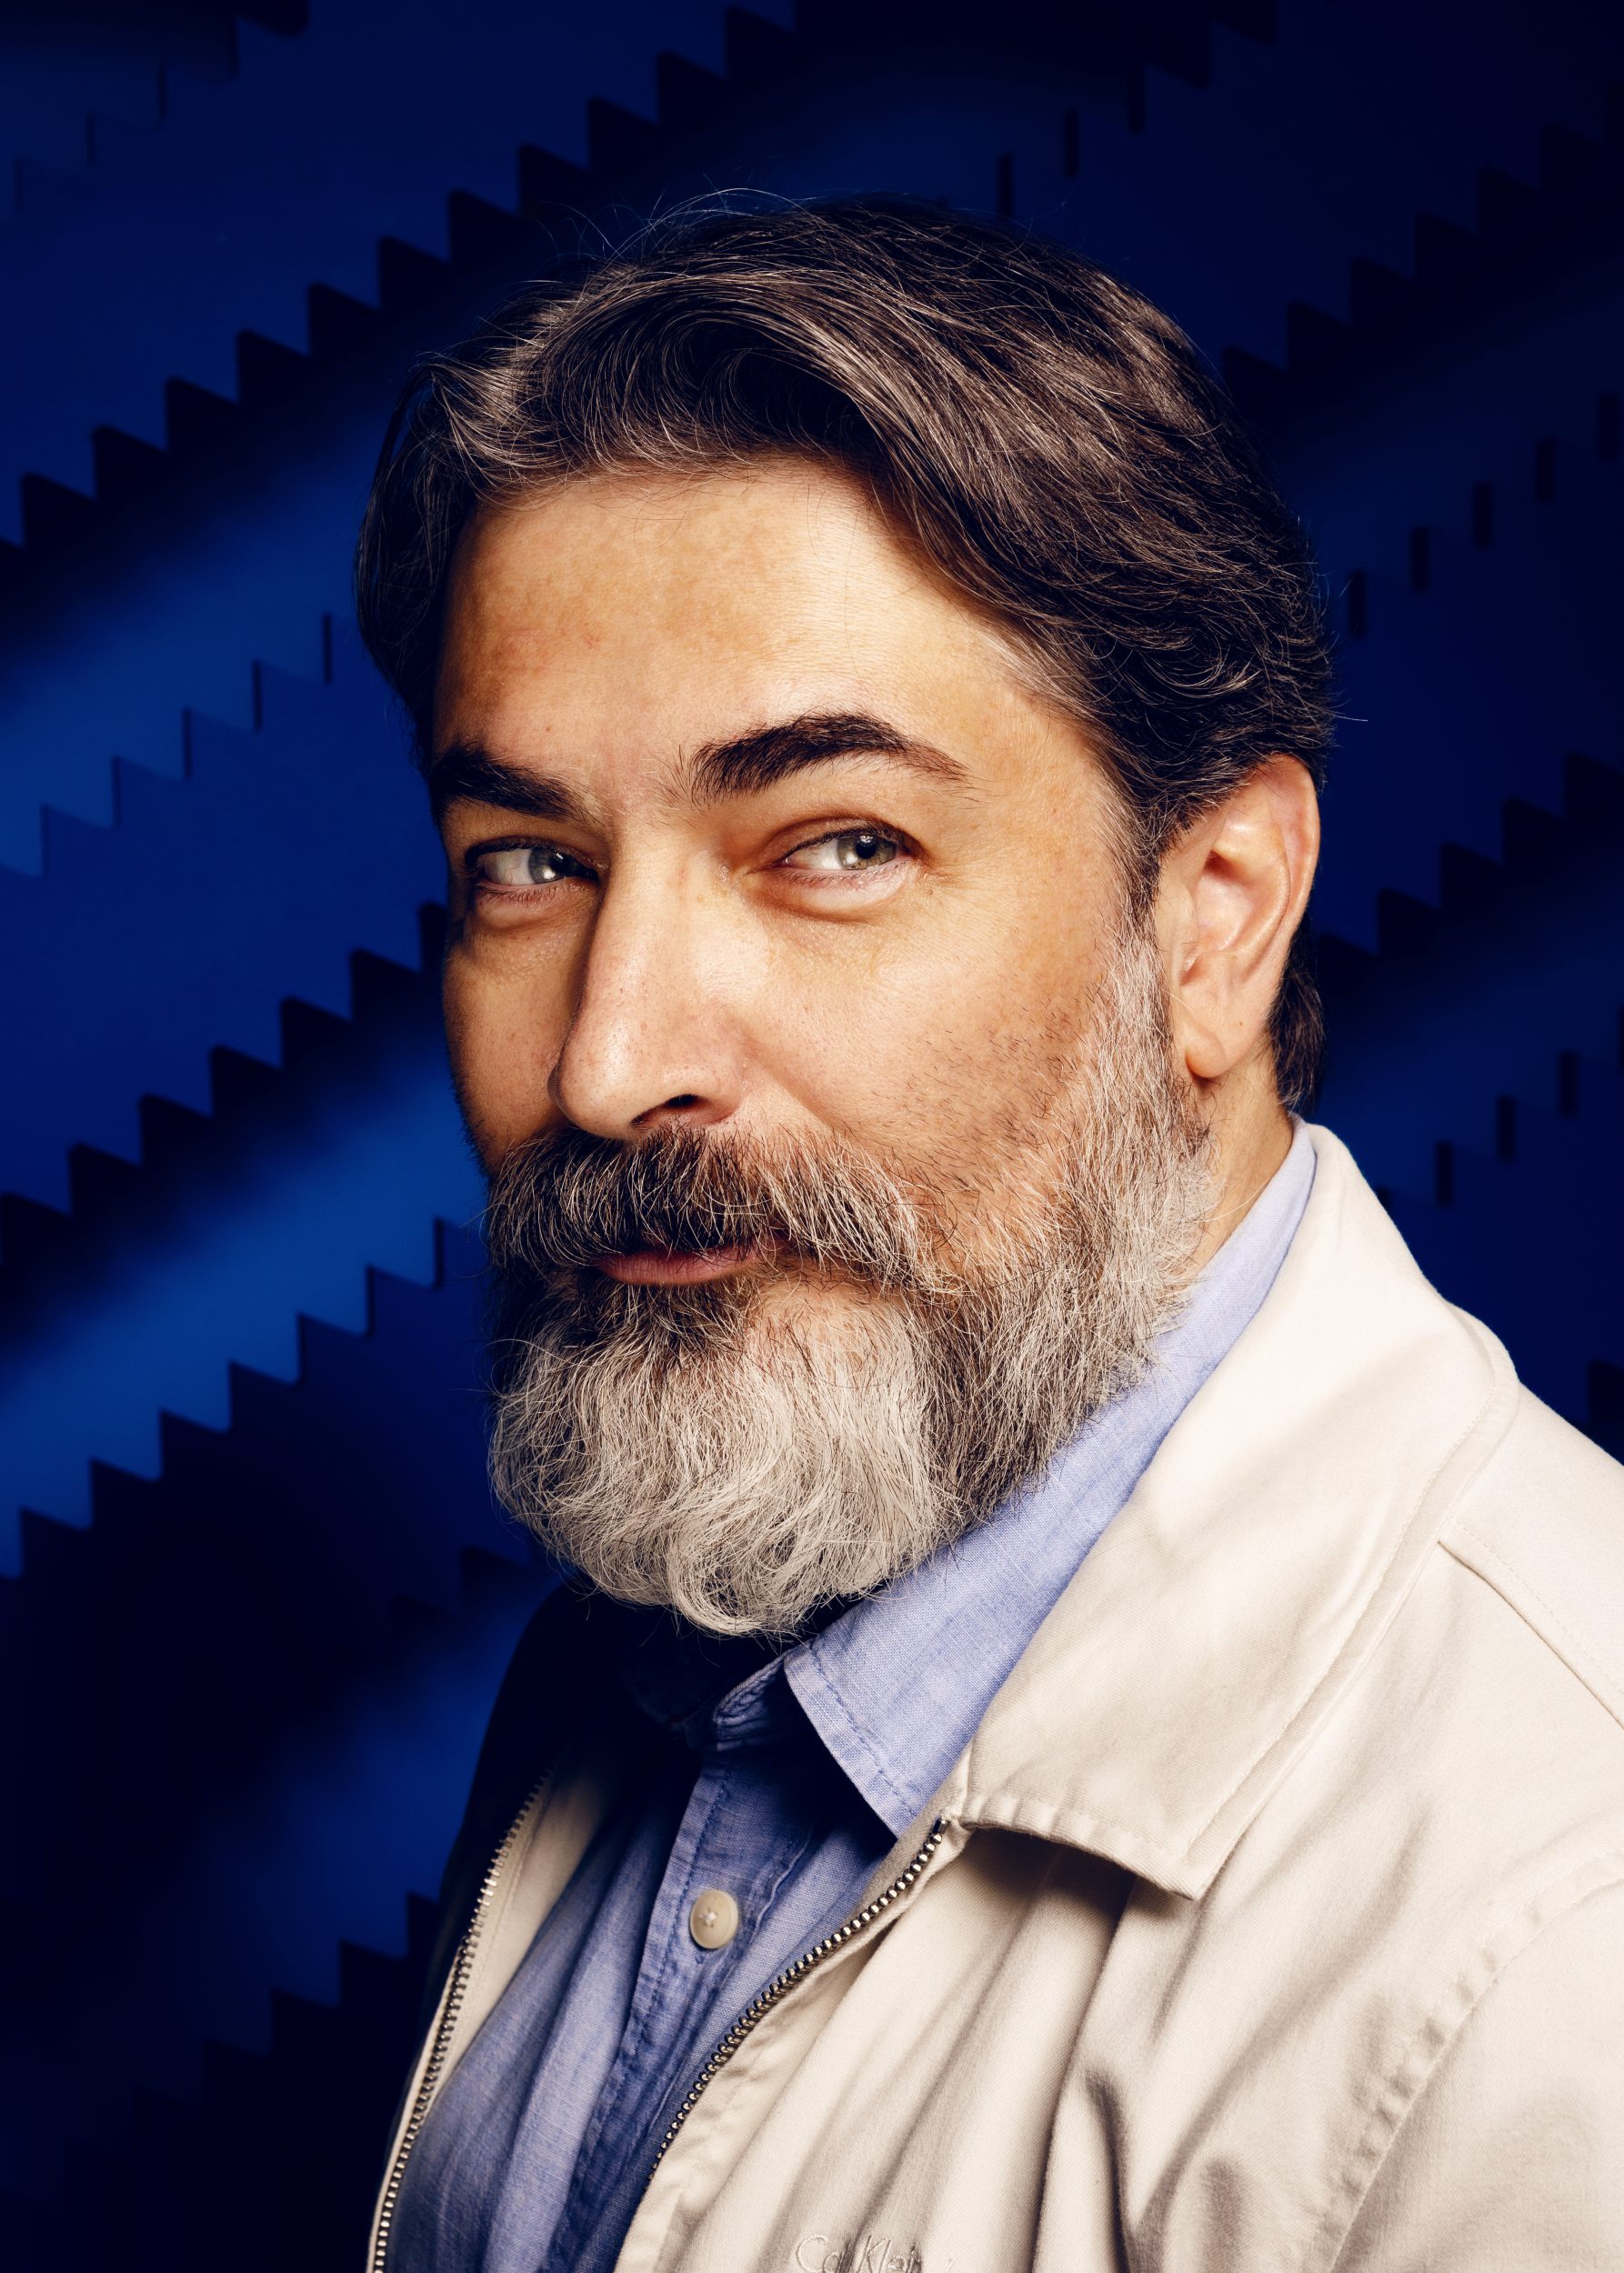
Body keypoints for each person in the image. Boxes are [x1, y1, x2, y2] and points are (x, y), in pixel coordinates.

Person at [352, 195, 1624, 2272]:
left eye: (834, 844)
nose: (608, 1059)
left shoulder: (1558, 1934)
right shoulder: (664, 1624)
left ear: (1211, 918)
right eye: (527, 862)